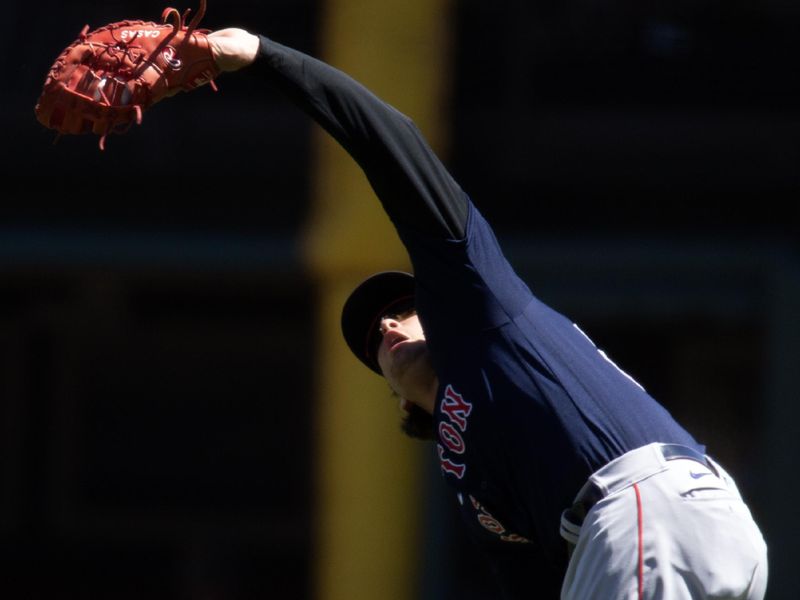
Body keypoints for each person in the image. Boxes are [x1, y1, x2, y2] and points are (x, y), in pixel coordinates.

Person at [206, 28, 769, 599]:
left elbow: (390, 143)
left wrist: (262, 56)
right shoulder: (477, 493)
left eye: (404, 308)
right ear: (400, 402)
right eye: (374, 338)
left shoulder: (479, 312)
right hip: (660, 535)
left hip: (648, 507)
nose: (386, 324)